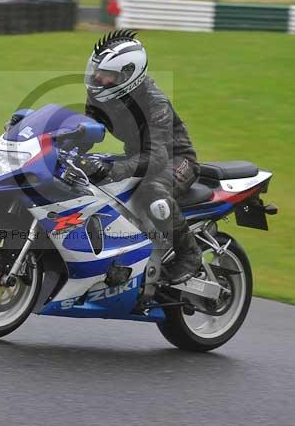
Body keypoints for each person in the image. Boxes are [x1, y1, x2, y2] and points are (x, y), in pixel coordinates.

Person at [78, 29, 202, 284]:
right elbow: (87, 130)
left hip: (175, 160)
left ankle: (189, 255)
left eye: (106, 75)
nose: (97, 78)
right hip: (138, 156)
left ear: (127, 75)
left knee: (152, 191)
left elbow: (157, 157)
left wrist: (114, 170)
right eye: (96, 71)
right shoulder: (99, 94)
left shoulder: (155, 103)